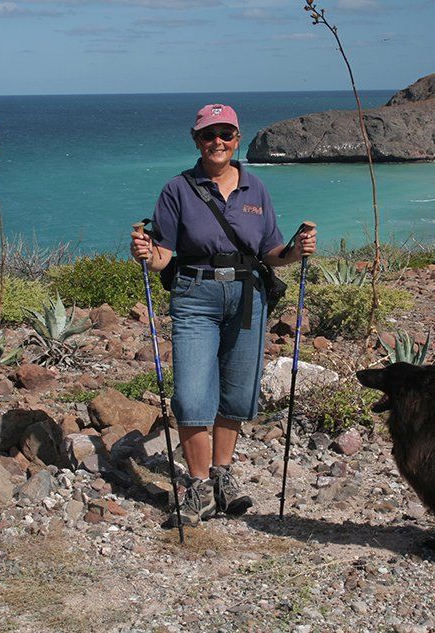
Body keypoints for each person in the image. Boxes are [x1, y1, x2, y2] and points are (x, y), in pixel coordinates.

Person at [130, 103, 317, 527]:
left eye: (226, 134)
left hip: (248, 296)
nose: (218, 141)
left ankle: (222, 475)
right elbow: (163, 255)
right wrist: (146, 253)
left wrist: (295, 251)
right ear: (196, 140)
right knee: (191, 393)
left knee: (236, 389)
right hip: (195, 294)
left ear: (237, 139)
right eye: (208, 134)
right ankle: (199, 485)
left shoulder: (256, 188)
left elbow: (269, 250)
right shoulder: (177, 189)